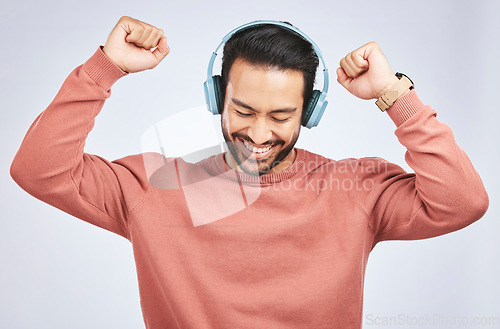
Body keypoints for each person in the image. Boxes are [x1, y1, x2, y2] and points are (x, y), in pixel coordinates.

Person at [10, 16, 488, 329]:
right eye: (242, 110)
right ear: (217, 99)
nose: (259, 134)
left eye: (281, 116)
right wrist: (105, 67)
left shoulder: (356, 191)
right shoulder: (153, 189)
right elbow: (39, 170)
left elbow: (463, 201)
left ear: (310, 112)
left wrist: (394, 95)